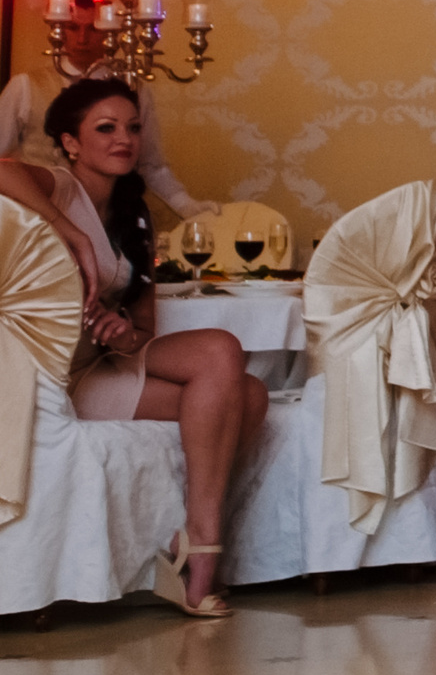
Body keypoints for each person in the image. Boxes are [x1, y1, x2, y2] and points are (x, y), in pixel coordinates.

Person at [0, 79, 265, 616]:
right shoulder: (58, 187)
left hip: (106, 362)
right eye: (106, 128)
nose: (124, 138)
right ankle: (202, 547)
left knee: (250, 393)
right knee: (222, 355)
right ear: (71, 143)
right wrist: (65, 230)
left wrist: (124, 334)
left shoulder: (135, 217)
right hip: (62, 376)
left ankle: (192, 533)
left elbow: (144, 330)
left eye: (133, 127)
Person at [0, 0, 215, 217]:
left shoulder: (133, 88)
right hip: (43, 217)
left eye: (94, 28)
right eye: (73, 27)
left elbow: (151, 164)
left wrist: (186, 206)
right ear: (60, 30)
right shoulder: (25, 86)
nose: (82, 38)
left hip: (112, 217)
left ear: (112, 32)